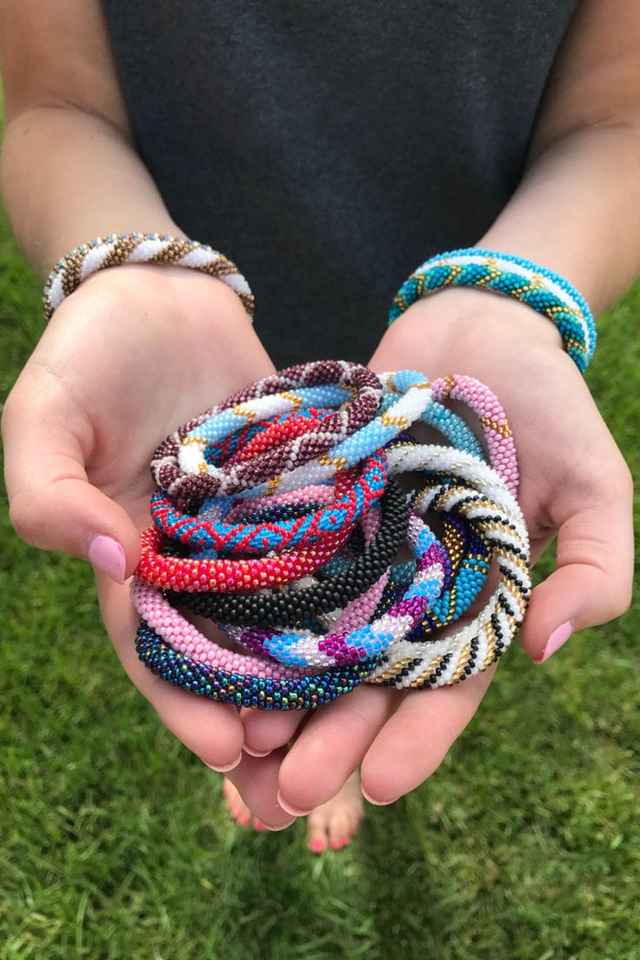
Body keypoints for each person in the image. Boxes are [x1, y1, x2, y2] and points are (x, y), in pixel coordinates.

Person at [0, 0, 634, 853]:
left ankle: (327, 697)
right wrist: (129, 271)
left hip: (444, 310)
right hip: (199, 335)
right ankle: (303, 682)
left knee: (350, 630)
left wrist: (512, 297)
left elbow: (615, 123)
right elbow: (55, 105)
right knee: (288, 652)